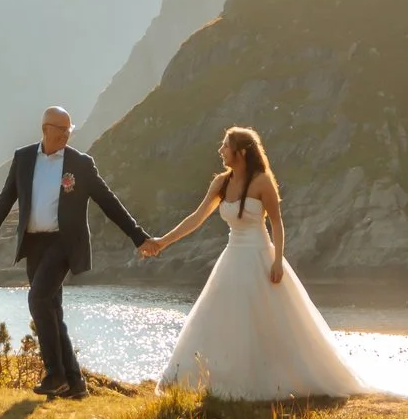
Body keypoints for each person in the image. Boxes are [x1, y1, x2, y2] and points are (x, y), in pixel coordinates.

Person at [147, 125, 363, 400]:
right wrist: (162, 241)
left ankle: (273, 379)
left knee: (271, 321)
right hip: (232, 258)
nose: (220, 151)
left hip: (260, 256)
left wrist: (277, 261)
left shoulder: (262, 181)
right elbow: (196, 218)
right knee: (221, 318)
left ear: (242, 152)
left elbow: (276, 223)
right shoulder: (221, 183)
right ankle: (213, 379)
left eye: (225, 146)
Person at [0, 105, 160, 398]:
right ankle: (75, 385)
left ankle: (55, 374)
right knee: (52, 309)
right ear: (45, 129)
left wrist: (139, 237)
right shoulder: (23, 159)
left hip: (64, 244)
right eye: (61, 130)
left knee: (37, 298)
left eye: (69, 130)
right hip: (34, 245)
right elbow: (5, 199)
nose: (66, 135)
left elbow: (109, 203)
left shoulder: (80, 164)